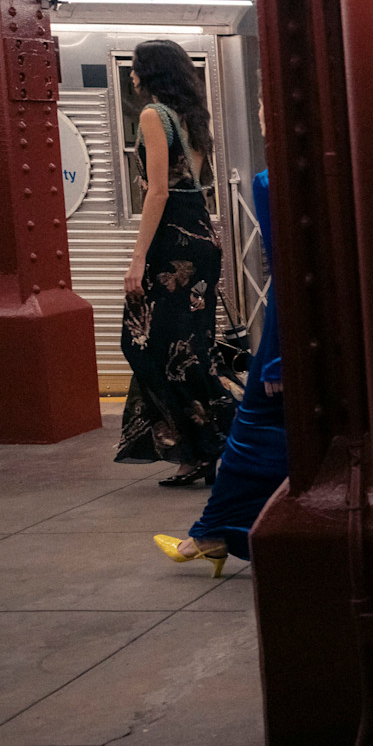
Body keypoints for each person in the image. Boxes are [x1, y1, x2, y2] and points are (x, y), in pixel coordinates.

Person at [115, 39, 239, 483]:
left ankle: (220, 435)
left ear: (150, 72)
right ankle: (202, 450)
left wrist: (138, 257)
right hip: (201, 234)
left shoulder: (153, 115)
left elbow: (159, 190)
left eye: (135, 68)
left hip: (173, 241)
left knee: (145, 345)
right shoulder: (192, 117)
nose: (131, 75)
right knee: (189, 350)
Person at [154, 168, 285, 576]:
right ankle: (218, 532)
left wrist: (278, 356)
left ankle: (214, 533)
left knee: (255, 432)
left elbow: (288, 274)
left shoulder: (270, 181)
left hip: (291, 337)